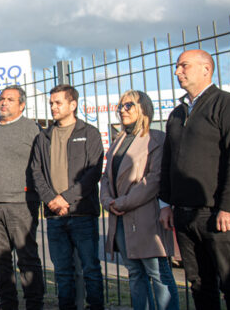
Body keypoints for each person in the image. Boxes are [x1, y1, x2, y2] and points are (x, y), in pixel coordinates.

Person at [159, 49, 230, 310]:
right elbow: (167, 162)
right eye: (177, 66)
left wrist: (229, 207)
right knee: (199, 284)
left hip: (216, 214)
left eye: (184, 66)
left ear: (206, 69)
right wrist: (165, 204)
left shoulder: (228, 105)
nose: (177, 71)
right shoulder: (176, 114)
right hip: (183, 214)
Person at [100, 90, 179, 310]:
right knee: (135, 273)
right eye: (120, 106)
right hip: (120, 217)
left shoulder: (156, 139)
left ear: (143, 108)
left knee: (158, 273)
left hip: (145, 217)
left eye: (128, 105)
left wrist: (123, 202)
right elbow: (106, 177)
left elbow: (154, 179)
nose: (122, 110)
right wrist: (106, 201)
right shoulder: (118, 141)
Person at [30, 84, 105, 310]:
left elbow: (93, 172)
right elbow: (36, 172)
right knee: (62, 272)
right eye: (51, 103)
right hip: (55, 216)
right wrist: (52, 201)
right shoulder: (43, 137)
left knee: (91, 269)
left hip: (82, 213)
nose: (53, 107)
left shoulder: (89, 133)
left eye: (58, 103)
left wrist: (66, 199)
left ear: (73, 105)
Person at [0, 85, 44, 310]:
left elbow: (41, 164)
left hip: (21, 203)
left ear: (22, 105)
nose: (3, 102)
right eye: (2, 98)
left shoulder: (31, 129)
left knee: (27, 257)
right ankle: (7, 303)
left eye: (10, 99)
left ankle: (34, 303)